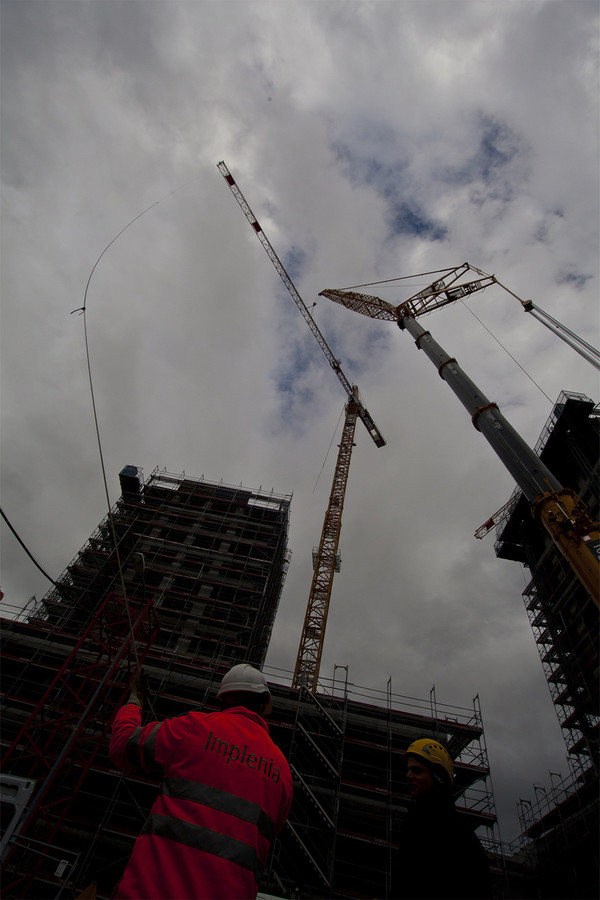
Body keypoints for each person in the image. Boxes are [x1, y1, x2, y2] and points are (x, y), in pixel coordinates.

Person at [109, 663, 293, 900]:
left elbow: (121, 746)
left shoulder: (194, 728)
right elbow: (274, 827)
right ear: (262, 705)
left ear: (223, 699)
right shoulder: (281, 770)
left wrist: (134, 702)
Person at [392, 738, 492, 899]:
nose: (409, 776)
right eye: (408, 770)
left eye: (417, 771)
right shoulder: (415, 822)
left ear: (438, 776)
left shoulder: (456, 833)